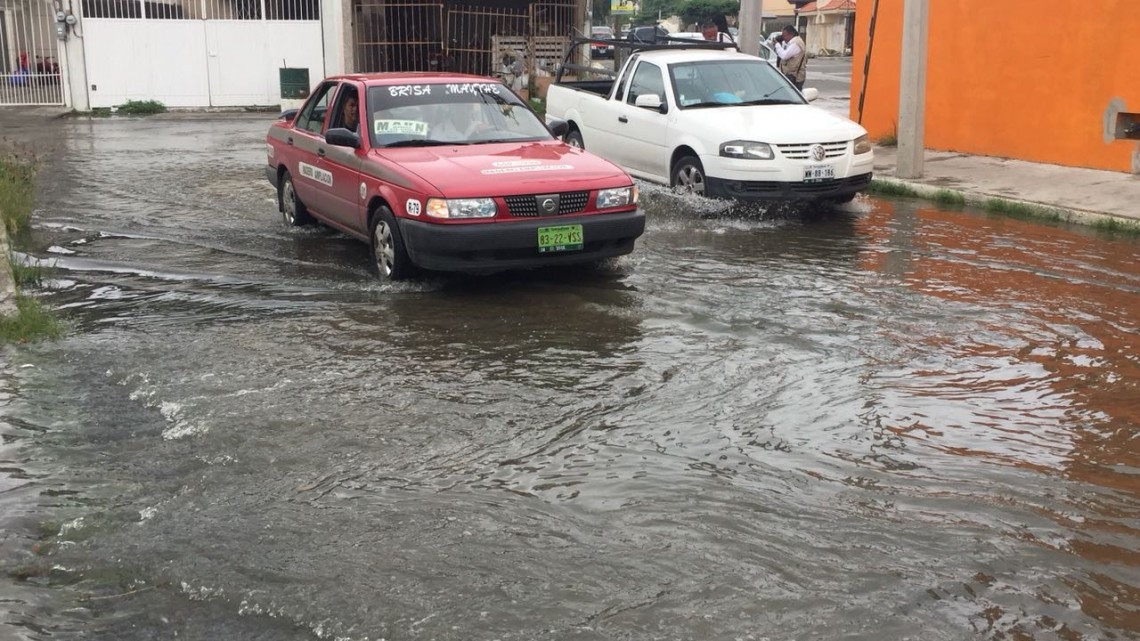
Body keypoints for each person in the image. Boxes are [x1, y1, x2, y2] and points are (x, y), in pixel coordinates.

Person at [774, 26, 808, 90]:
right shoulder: (791, 42)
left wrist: (777, 45)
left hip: (795, 77)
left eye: (784, 36)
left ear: (791, 34)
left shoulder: (796, 44)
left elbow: (784, 56)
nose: (783, 38)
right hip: (791, 76)